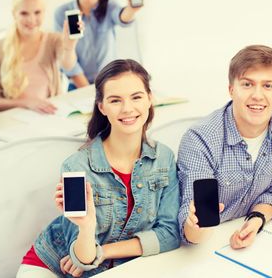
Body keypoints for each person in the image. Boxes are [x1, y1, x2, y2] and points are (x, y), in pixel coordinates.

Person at [17, 59, 180, 277]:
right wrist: (87, 227)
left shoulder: (164, 159)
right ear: (101, 107)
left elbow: (169, 234)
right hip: (53, 264)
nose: (127, 108)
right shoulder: (77, 167)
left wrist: (104, 252)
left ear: (150, 99)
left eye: (136, 97)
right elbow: (82, 261)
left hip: (110, 266)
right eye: (115, 100)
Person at [177, 45, 272, 250]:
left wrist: (256, 221)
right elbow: (190, 231)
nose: (257, 96)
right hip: (205, 244)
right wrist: (196, 224)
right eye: (247, 84)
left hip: (253, 242)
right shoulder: (200, 139)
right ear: (231, 89)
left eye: (268, 86)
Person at [55, 0, 144, 88]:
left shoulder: (110, 6)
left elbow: (122, 17)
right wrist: (90, 91)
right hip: (79, 86)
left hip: (110, 83)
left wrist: (132, 9)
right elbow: (67, 64)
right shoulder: (62, 14)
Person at [0, 0, 80, 113]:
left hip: (49, 115)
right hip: (15, 120)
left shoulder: (53, 40)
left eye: (37, 12)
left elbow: (68, 65)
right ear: (14, 14)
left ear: (44, 12)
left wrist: (70, 45)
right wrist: (27, 103)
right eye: (24, 13)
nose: (31, 20)